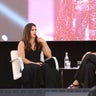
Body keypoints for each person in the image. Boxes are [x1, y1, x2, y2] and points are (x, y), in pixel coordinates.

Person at [17, 23, 60, 88]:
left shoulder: (39, 42)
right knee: (35, 68)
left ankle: (49, 91)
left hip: (38, 63)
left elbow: (49, 55)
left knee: (50, 70)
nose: (34, 31)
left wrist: (44, 43)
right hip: (28, 64)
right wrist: (34, 63)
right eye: (32, 30)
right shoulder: (22, 43)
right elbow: (22, 59)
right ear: (27, 31)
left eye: (35, 30)